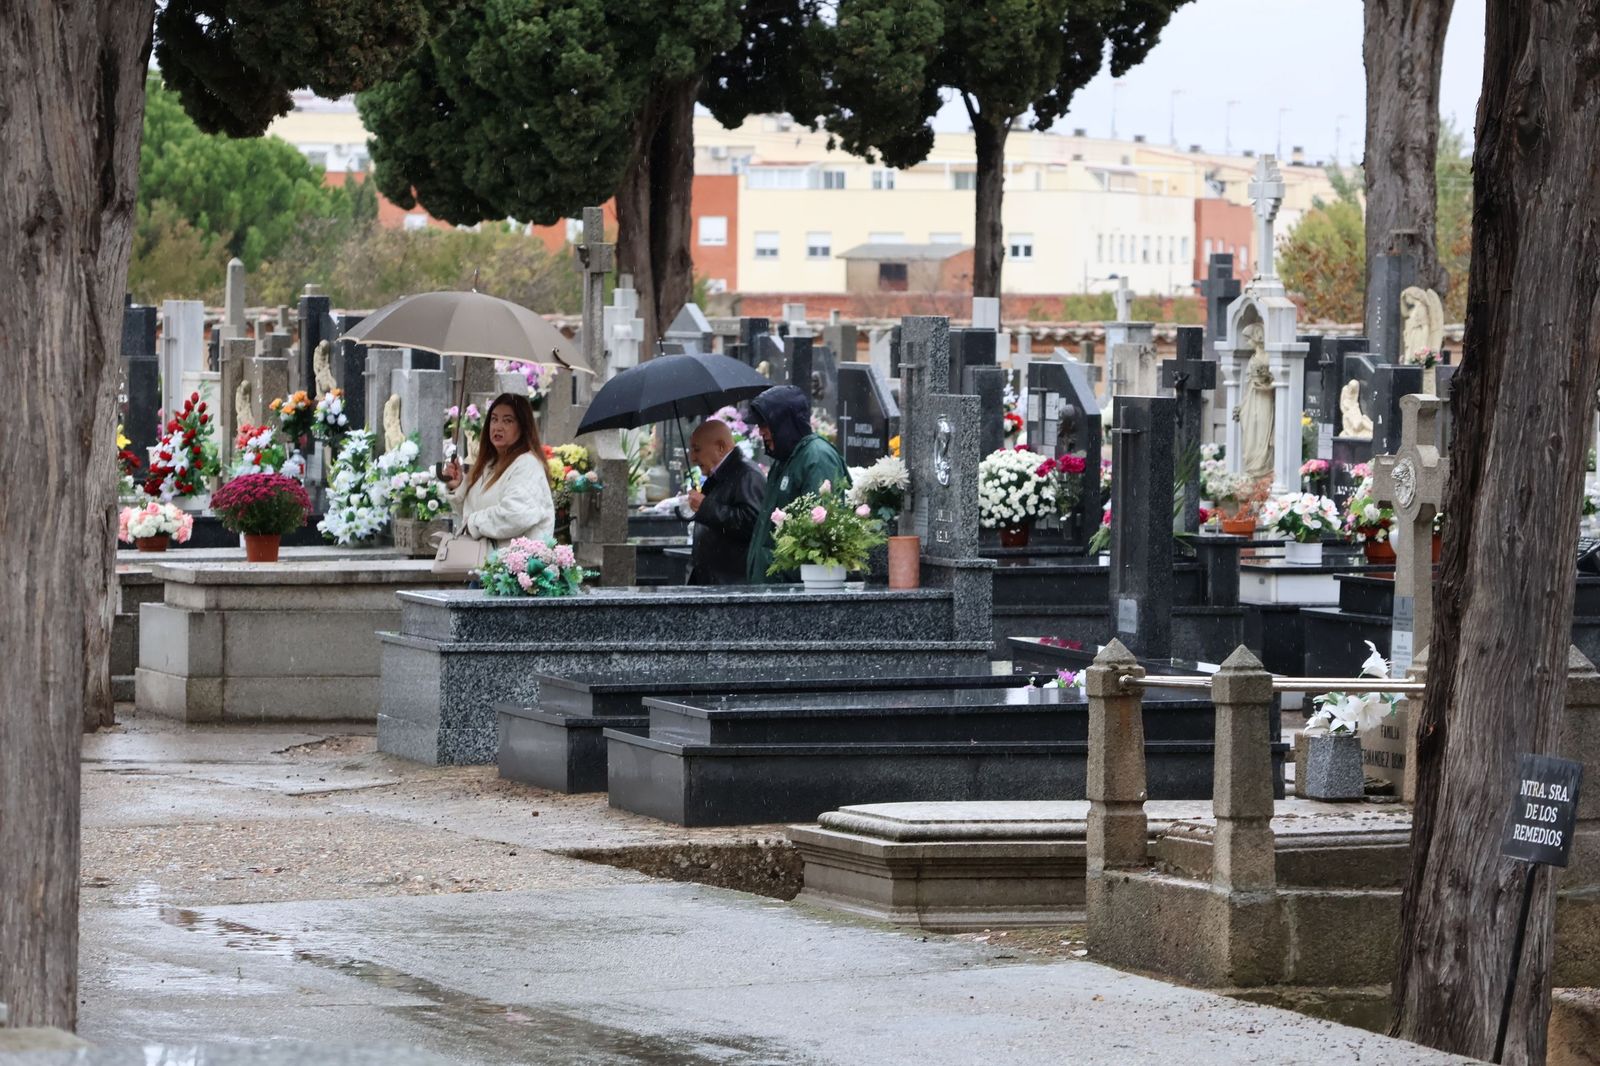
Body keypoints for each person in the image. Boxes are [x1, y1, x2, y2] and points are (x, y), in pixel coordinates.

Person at [744, 384, 849, 584]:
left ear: (784, 423)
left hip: (789, 591)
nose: (761, 433)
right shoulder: (785, 460)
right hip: (771, 588)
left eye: (765, 425)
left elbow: (819, 534)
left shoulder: (816, 458)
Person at [442, 392, 554, 546]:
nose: (498, 427)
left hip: (513, 565)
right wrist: (459, 486)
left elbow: (516, 514)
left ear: (523, 427)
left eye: (507, 421)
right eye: (494, 419)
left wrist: (473, 522)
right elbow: (471, 512)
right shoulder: (489, 464)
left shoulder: (527, 464)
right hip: (483, 563)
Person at [685, 419, 766, 585]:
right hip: (714, 580)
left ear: (720, 447)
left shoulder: (747, 475)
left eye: (697, 449)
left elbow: (751, 524)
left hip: (731, 582)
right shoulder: (721, 475)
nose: (693, 457)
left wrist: (706, 506)